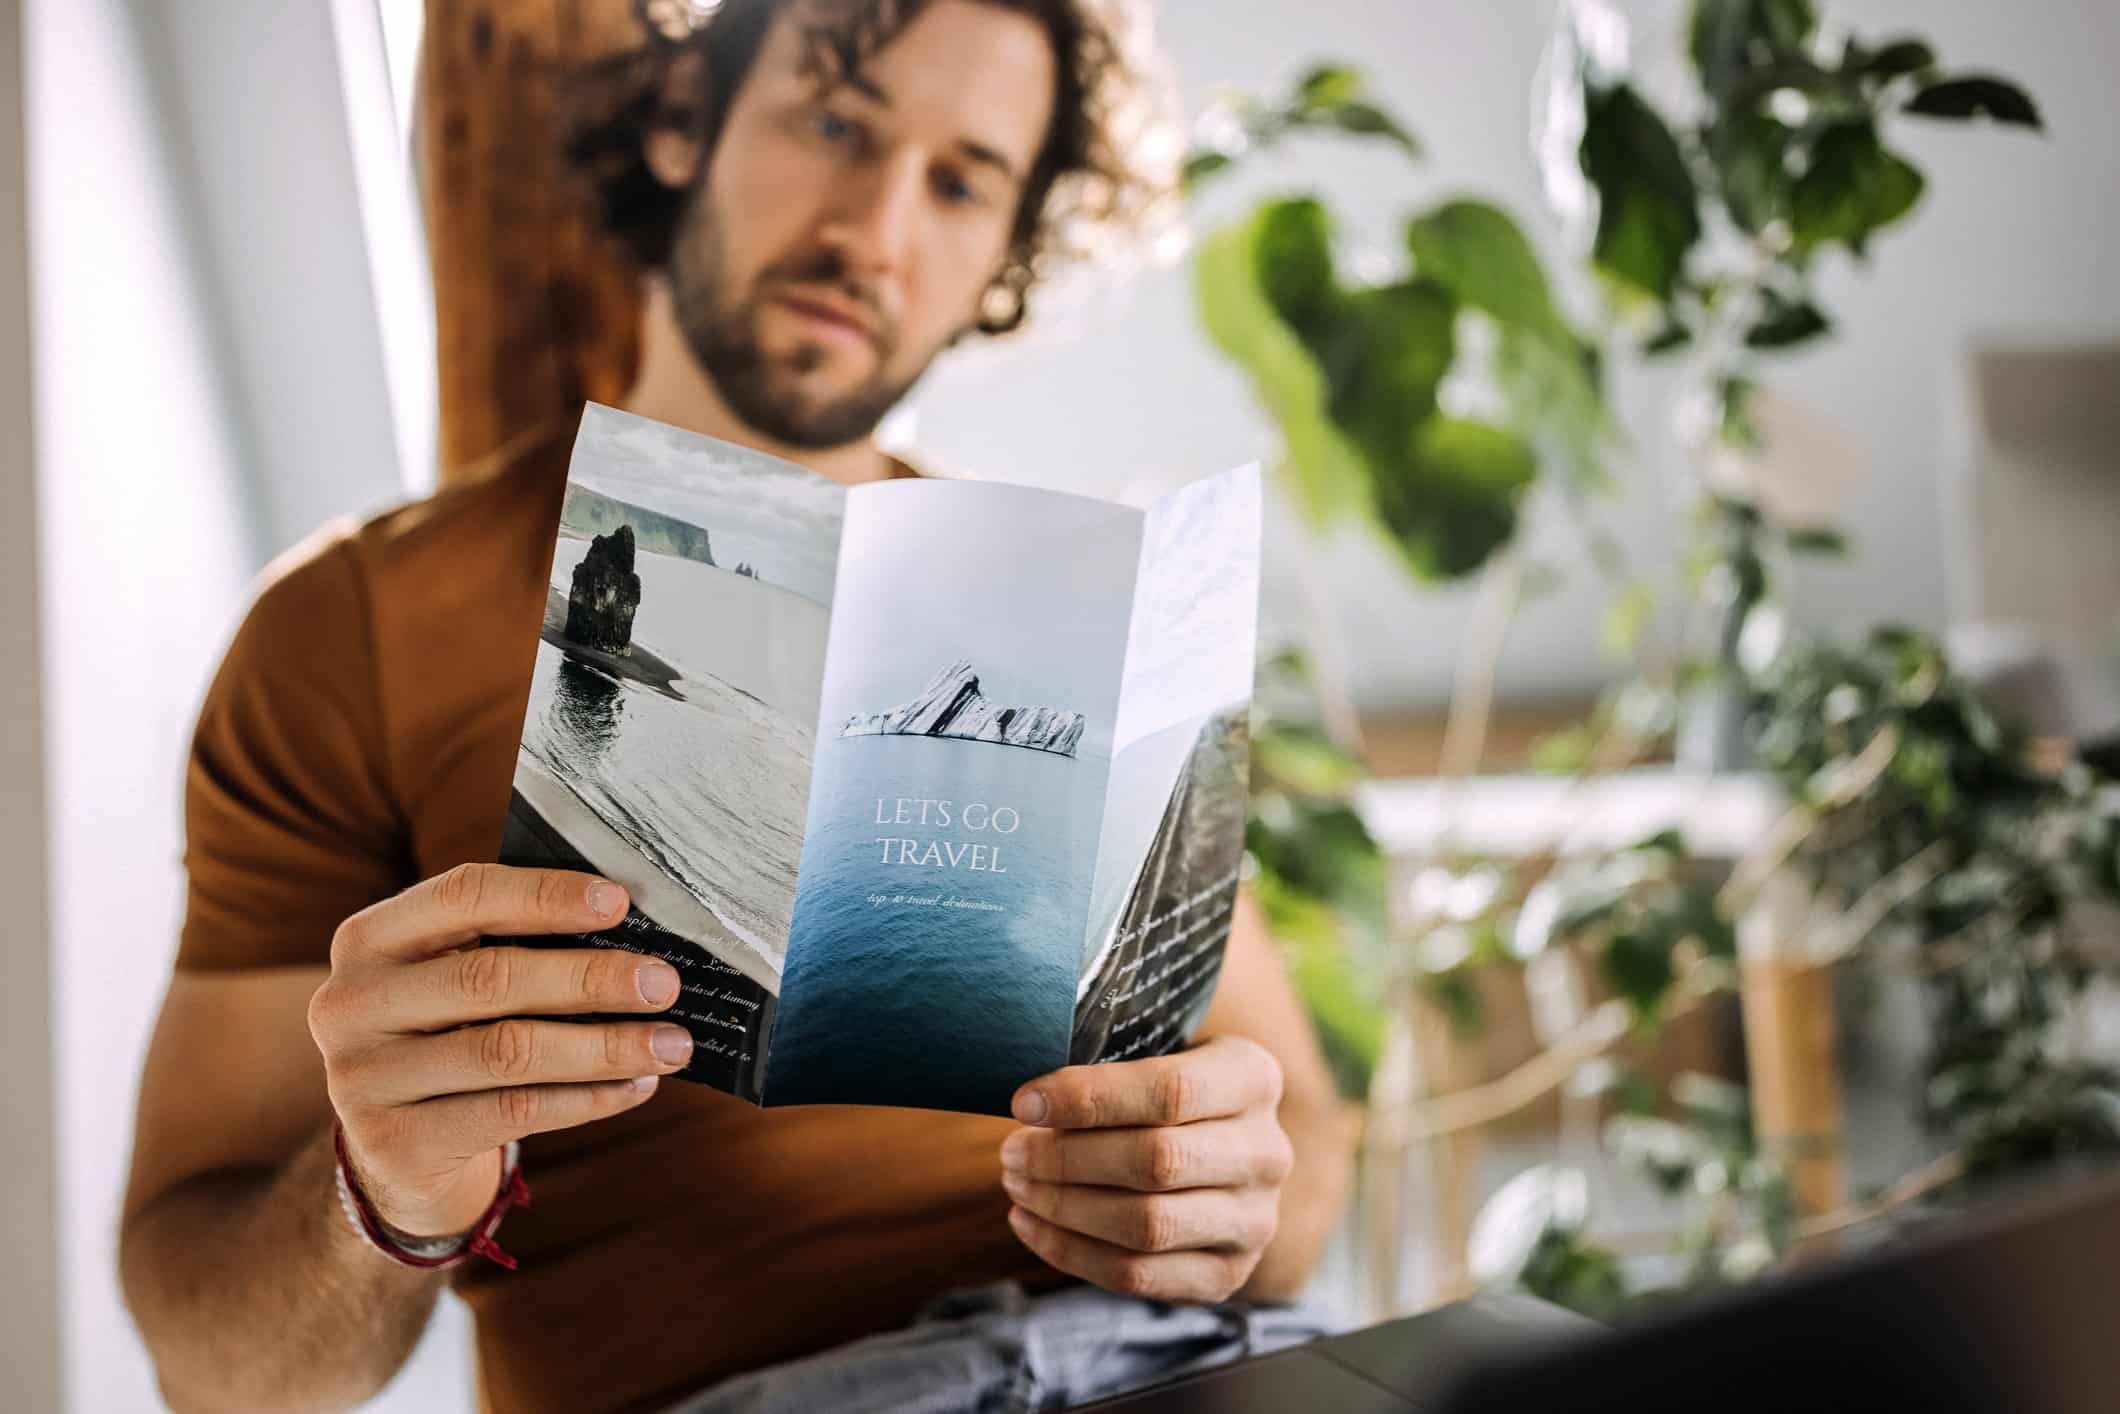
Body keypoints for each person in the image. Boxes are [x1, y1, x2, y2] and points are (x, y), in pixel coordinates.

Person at [118, 2, 1353, 1410]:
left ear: (1000, 261)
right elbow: (213, 1368)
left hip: (1183, 1369)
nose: (874, 231)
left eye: (960, 182)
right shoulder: (351, 628)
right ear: (681, 119)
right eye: (836, 121)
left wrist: (1226, 1192)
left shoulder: (1074, 603)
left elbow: (1300, 1157)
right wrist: (379, 1185)